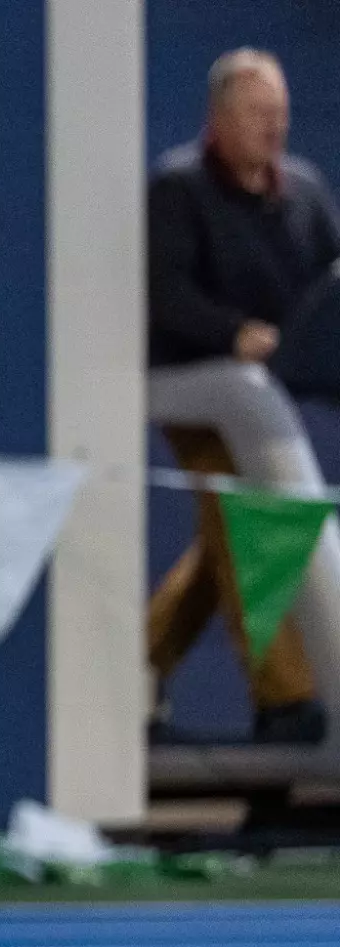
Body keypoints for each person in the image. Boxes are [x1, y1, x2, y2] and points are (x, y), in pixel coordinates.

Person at [147, 48, 340, 744]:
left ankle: (141, 661)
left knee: (224, 534)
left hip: (268, 391)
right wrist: (235, 334)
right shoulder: (178, 190)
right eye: (259, 114)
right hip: (190, 384)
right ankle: (283, 694)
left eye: (281, 114)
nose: (274, 127)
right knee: (242, 515)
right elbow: (166, 296)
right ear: (220, 119)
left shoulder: (307, 194)